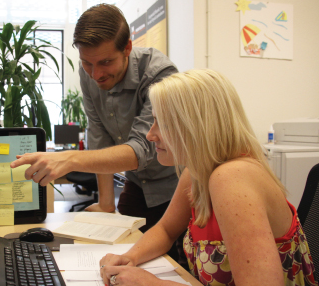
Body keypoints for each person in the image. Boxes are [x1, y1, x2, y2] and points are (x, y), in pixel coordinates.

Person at [97, 69, 315, 286]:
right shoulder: (197, 171)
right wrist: (130, 257)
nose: (150, 134)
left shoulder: (231, 178)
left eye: (160, 123)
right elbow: (166, 230)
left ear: (195, 126)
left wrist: (153, 283)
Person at [9, 4, 178, 230]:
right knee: (122, 248)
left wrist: (69, 159)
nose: (96, 74)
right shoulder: (88, 73)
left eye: (106, 62)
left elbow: (141, 149)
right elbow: (99, 135)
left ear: (127, 48)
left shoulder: (159, 74)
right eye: (87, 62)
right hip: (137, 182)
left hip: (174, 186)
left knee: (171, 259)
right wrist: (106, 203)